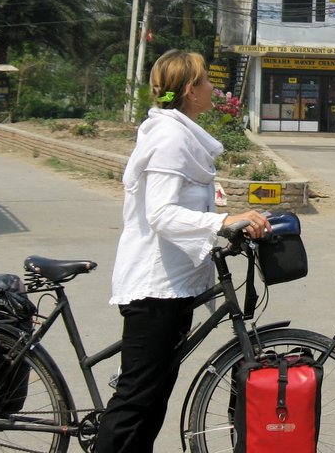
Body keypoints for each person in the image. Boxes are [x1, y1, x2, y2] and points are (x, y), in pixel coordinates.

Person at [94, 50, 272, 453]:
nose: (214, 87)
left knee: (152, 401)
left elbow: (185, 202)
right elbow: (161, 213)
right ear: (190, 91)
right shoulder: (171, 137)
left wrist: (222, 219)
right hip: (154, 286)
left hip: (173, 285)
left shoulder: (180, 132)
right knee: (136, 402)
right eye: (207, 80)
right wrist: (220, 222)